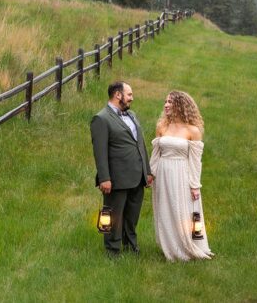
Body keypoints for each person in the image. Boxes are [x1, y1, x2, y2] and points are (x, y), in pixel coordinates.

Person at [90, 81, 153, 257]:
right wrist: (104, 178)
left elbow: (140, 144)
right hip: (116, 178)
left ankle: (131, 246)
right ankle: (113, 250)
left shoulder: (131, 114)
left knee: (132, 215)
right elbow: (99, 152)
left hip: (137, 176)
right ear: (118, 95)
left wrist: (147, 171)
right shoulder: (101, 119)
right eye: (129, 95)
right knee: (113, 216)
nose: (132, 98)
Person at [150, 91, 214, 261]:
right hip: (163, 173)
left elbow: (195, 161)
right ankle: (169, 247)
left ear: (181, 105)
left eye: (170, 102)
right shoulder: (162, 127)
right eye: (165, 102)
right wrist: (151, 174)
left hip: (182, 174)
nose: (166, 105)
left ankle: (186, 246)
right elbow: (155, 154)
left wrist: (194, 185)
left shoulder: (193, 131)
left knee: (184, 210)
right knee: (165, 208)